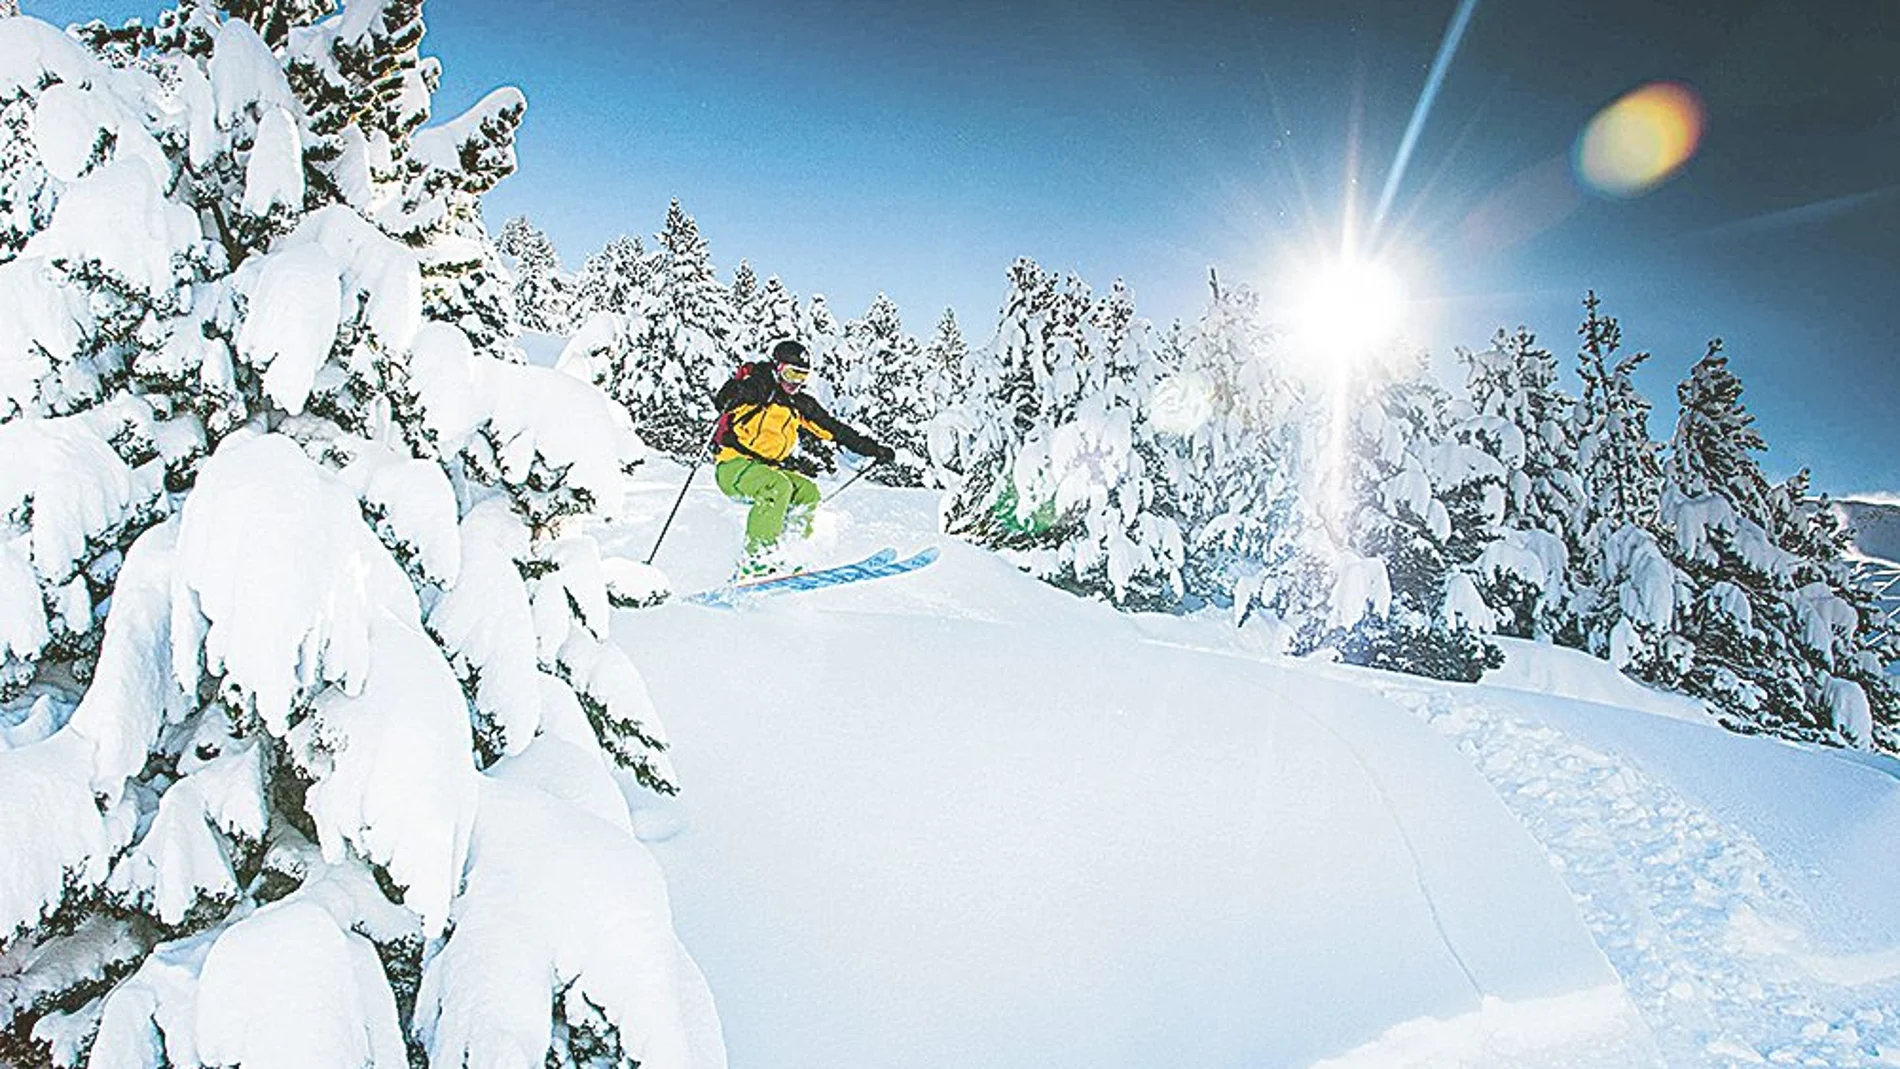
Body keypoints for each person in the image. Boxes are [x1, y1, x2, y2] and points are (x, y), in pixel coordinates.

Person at [711, 339, 894, 577]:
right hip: (733, 466)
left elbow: (835, 430)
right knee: (776, 486)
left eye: (801, 377)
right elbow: (725, 399)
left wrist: (873, 449)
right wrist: (733, 393)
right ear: (777, 368)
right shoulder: (759, 389)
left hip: (766, 469)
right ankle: (755, 561)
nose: (794, 383)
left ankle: (789, 553)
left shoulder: (798, 404)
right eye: (790, 374)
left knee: (807, 492)